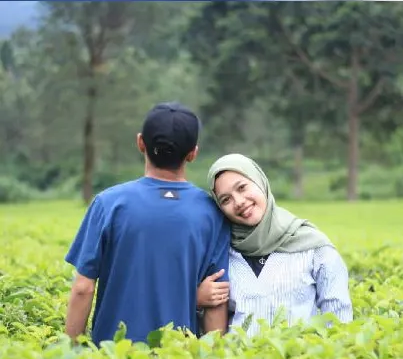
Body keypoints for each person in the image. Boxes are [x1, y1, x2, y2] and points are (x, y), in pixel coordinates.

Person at [65, 103, 230, 345]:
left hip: (112, 357)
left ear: (140, 142)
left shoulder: (108, 204)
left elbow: (82, 288)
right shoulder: (212, 212)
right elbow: (216, 297)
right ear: (193, 153)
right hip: (179, 358)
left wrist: (70, 354)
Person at [196, 154, 353, 336]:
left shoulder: (314, 247)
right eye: (225, 199)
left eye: (242, 187)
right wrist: (197, 299)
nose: (238, 202)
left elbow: (339, 320)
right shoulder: (221, 253)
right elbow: (209, 336)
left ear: (260, 181)